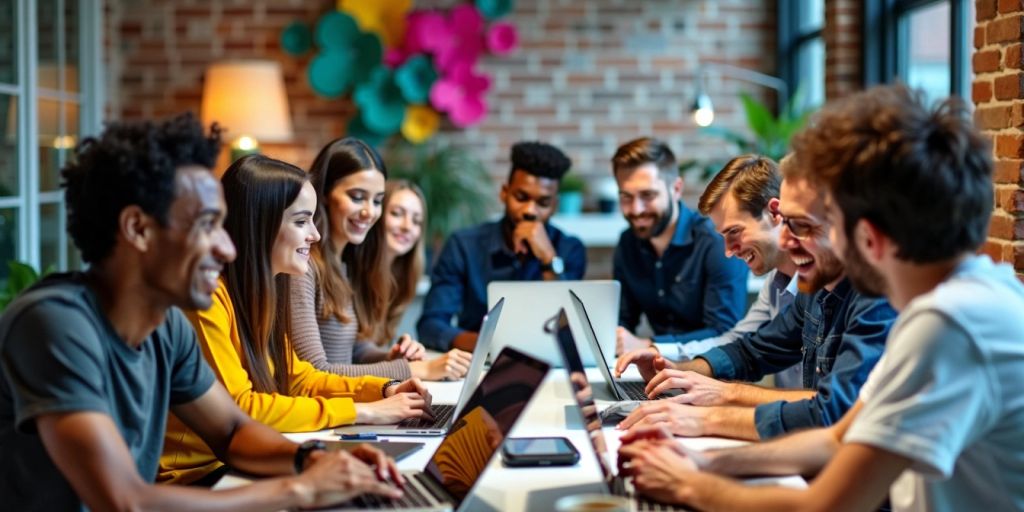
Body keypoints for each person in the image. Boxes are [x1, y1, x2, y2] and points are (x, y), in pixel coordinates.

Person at [618, 84, 1024, 512]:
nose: (793, 243)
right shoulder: (960, 300)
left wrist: (688, 485)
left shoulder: (949, 323)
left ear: (867, 234)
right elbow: (837, 438)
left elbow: (824, 507)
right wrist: (706, 463)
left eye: (816, 224)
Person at [0, 114, 403, 511]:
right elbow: (125, 501)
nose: (228, 249)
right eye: (208, 225)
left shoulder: (168, 325)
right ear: (138, 229)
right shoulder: (53, 323)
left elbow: (232, 430)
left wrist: (314, 460)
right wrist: (301, 490)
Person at [160, 154, 432, 485]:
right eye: (302, 221)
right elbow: (241, 409)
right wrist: (364, 411)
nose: (316, 235)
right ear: (260, 225)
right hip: (198, 476)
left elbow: (299, 378)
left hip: (244, 461)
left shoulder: (266, 291)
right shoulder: (208, 299)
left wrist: (383, 389)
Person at [613, 154, 895, 441]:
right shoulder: (815, 287)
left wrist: (717, 407)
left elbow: (830, 410)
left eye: (800, 224)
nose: (785, 240)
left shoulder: (877, 298)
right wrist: (677, 371)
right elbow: (752, 351)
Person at [289, 138, 468, 382]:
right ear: (325, 194)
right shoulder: (304, 266)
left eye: (377, 201)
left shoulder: (344, 264)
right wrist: (416, 370)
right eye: (357, 197)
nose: (369, 212)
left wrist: (392, 358)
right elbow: (315, 371)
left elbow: (354, 351)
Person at [616, 154, 801, 388]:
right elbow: (740, 346)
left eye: (734, 231)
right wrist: (665, 360)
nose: (728, 252)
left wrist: (721, 399)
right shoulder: (776, 283)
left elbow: (826, 405)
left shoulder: (829, 287)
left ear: (775, 213)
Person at [417, 141, 587, 351]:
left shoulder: (569, 249)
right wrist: (489, 346)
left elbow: (572, 328)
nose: (530, 211)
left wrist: (549, 260)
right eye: (521, 197)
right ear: (504, 193)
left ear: (555, 205)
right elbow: (431, 325)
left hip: (549, 362)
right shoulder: (464, 245)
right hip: (477, 360)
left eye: (543, 202)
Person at [611, 137, 749, 355]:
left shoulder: (715, 242)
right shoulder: (627, 243)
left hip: (712, 375)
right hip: (657, 372)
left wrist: (650, 345)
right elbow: (622, 319)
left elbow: (724, 331)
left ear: (676, 189)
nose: (636, 210)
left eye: (647, 195)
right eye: (626, 197)